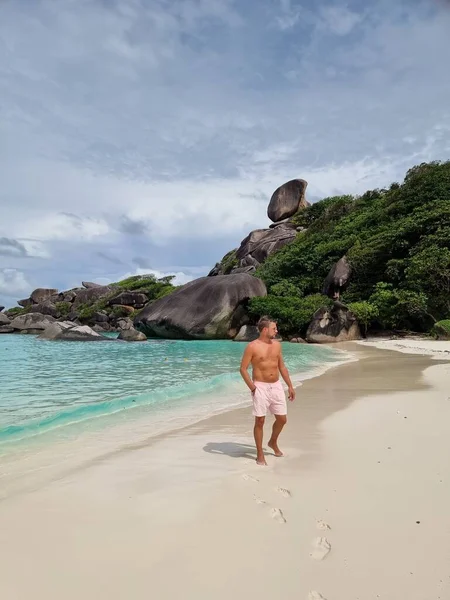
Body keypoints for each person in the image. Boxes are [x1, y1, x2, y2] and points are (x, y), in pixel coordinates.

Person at [239, 316, 295, 466]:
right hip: (260, 386)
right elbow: (243, 369)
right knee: (260, 420)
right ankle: (259, 452)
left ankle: (272, 442)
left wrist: (289, 385)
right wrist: (253, 388)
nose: (276, 331)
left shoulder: (277, 345)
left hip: (276, 385)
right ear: (265, 329)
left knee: (282, 419)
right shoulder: (252, 346)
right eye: (274, 328)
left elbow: (282, 367)